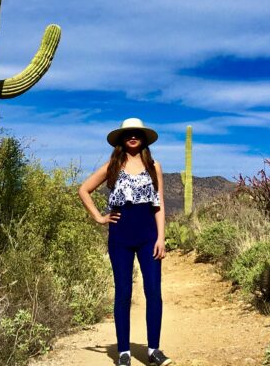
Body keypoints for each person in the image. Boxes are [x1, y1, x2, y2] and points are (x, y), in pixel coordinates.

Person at [79, 118, 173, 366]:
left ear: (143, 138)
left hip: (148, 236)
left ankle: (153, 350)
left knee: (153, 291)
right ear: (122, 139)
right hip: (120, 236)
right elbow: (83, 189)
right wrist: (100, 217)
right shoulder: (113, 165)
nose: (132, 137)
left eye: (137, 133)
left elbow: (159, 204)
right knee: (123, 292)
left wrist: (161, 238)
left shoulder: (154, 166)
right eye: (128, 134)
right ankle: (123, 352)